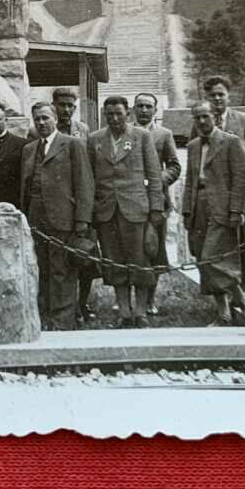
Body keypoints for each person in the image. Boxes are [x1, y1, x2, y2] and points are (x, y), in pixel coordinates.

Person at [88, 95, 164, 328]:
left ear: (128, 113)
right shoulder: (95, 139)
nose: (114, 118)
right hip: (107, 211)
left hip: (136, 210)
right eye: (109, 114)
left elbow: (154, 175)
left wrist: (156, 209)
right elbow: (89, 177)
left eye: (118, 113)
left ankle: (140, 312)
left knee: (140, 260)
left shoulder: (142, 137)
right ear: (104, 114)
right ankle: (124, 311)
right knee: (115, 260)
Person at [20, 101, 94, 330]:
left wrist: (82, 220)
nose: (41, 123)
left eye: (45, 118)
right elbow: (25, 186)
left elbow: (85, 184)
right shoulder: (29, 149)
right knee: (40, 267)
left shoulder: (72, 145)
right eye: (37, 119)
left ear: (54, 119)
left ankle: (63, 320)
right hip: (35, 219)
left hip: (63, 218)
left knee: (62, 270)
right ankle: (43, 315)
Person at [183, 101, 245, 325]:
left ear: (215, 116)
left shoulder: (231, 142)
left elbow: (242, 178)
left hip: (222, 207)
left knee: (211, 258)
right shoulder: (194, 146)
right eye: (197, 118)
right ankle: (224, 312)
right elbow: (189, 180)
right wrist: (187, 210)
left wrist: (236, 209)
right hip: (199, 208)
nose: (202, 122)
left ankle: (242, 300)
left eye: (205, 116)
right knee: (202, 258)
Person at [133, 92, 182, 315]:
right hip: (131, 200)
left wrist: (156, 179)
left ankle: (150, 300)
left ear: (155, 110)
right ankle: (134, 299)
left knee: (153, 249)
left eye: (148, 107)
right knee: (133, 250)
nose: (144, 110)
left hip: (155, 200)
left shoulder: (164, 134)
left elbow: (174, 166)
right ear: (133, 109)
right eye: (140, 106)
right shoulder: (127, 132)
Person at [191, 76, 245, 169]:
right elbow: (194, 151)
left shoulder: (244, 119)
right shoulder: (200, 121)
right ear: (206, 98)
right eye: (213, 95)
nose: (217, 98)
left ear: (228, 96)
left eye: (221, 94)